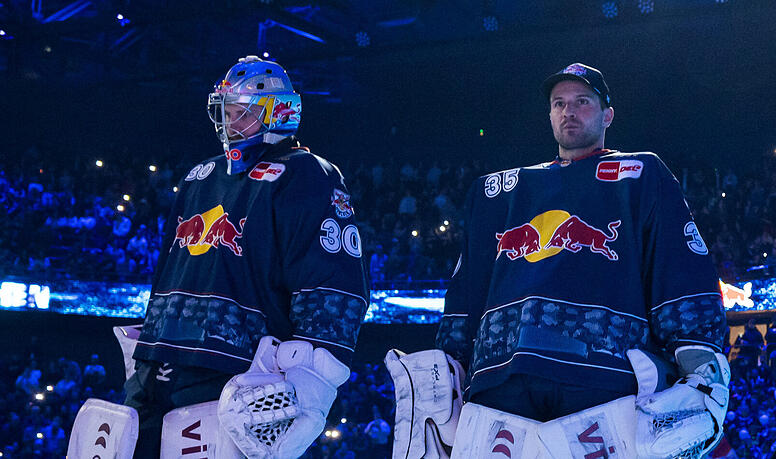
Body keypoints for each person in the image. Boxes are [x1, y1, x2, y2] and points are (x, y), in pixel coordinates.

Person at [386, 63, 728, 458]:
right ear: (549, 116)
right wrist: (450, 365)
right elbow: (468, 287)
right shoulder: (497, 192)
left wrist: (700, 362)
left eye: (582, 102)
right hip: (501, 378)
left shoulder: (641, 174)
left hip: (604, 375)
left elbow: (679, 267)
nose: (569, 111)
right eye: (559, 104)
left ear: (607, 115)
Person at [71, 56, 369, 458]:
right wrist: (149, 344)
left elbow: (332, 281)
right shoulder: (199, 177)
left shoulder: (307, 173)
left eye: (241, 113)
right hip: (159, 365)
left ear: (278, 112)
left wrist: (313, 378)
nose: (230, 124)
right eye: (226, 112)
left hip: (237, 372)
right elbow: (169, 271)